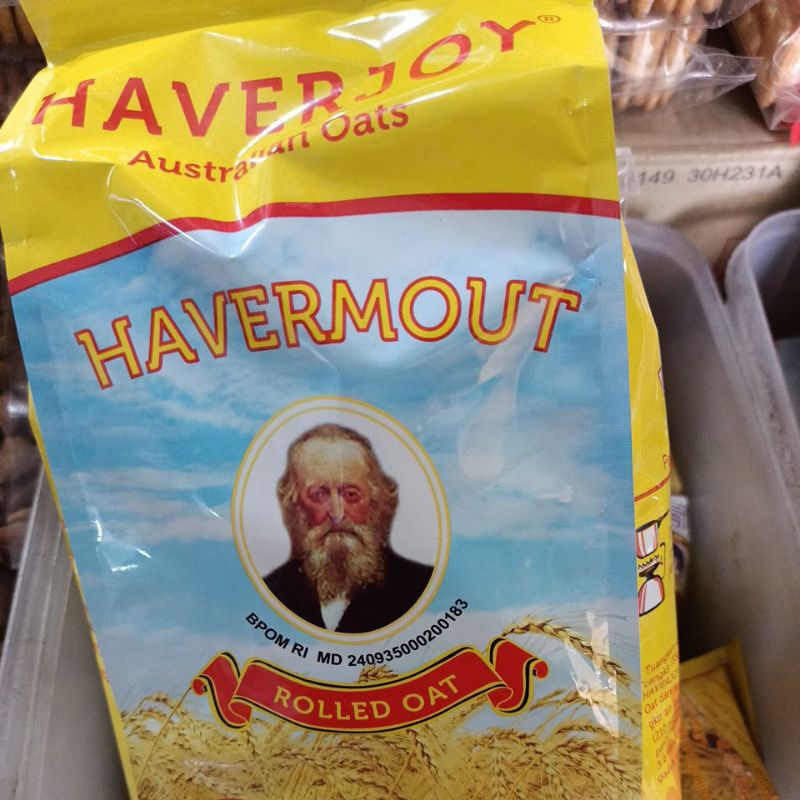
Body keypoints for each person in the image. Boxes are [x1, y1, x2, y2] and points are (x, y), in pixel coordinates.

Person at [264, 423, 433, 633]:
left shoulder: (423, 589)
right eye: (318, 494)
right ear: (293, 504)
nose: (337, 513)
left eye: (351, 494)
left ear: (377, 500)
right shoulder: (269, 595)